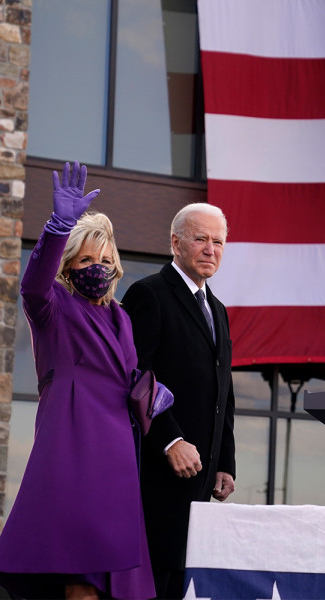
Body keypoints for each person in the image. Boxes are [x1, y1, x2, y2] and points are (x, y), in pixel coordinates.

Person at [0, 162, 155, 599]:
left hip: (118, 453)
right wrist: (58, 226)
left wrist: (154, 393)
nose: (96, 267)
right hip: (73, 447)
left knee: (113, 579)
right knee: (81, 574)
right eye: (85, 259)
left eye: (103, 259)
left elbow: (129, 377)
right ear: (69, 265)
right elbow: (33, 286)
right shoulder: (54, 304)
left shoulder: (121, 317)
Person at [122, 202, 236, 599]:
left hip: (200, 481)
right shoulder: (148, 294)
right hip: (156, 477)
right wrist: (170, 440)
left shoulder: (218, 310)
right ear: (175, 242)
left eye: (218, 241)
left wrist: (224, 462)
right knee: (151, 584)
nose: (211, 249)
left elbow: (225, 393)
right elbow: (135, 378)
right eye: (201, 238)